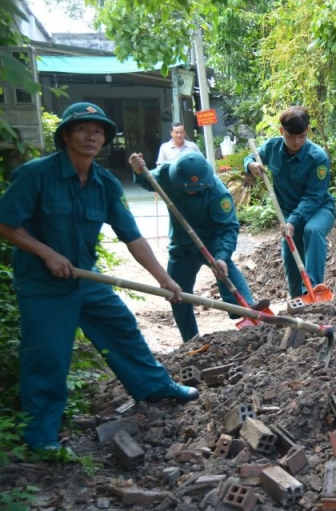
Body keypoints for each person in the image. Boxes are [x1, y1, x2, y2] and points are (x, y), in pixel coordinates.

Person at [0, 102, 200, 452]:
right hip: (42, 286)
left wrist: (164, 280)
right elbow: (6, 224)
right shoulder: (36, 175)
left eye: (98, 131)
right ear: (66, 135)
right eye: (82, 129)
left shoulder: (104, 183)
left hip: (86, 280)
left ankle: (154, 387)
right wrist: (47, 253)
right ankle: (41, 435)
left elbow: (133, 237)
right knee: (48, 356)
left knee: (122, 328)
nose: (91, 136)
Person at [129, 151, 268, 342]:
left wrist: (222, 256)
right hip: (181, 244)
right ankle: (190, 339)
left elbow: (229, 228)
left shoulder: (218, 193)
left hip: (211, 241)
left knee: (225, 269)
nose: (191, 192)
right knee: (177, 293)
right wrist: (138, 171)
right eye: (187, 188)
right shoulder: (167, 173)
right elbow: (148, 181)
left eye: (196, 189)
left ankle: (249, 312)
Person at [244, 106, 336, 299]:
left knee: (313, 230)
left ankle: (312, 291)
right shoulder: (273, 147)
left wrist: (293, 220)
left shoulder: (317, 157)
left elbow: (313, 198)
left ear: (307, 131)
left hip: (318, 209)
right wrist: (251, 165)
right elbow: (252, 156)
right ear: (281, 132)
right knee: (291, 257)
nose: (296, 142)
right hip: (288, 214)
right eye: (290, 136)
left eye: (301, 136)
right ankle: (296, 300)